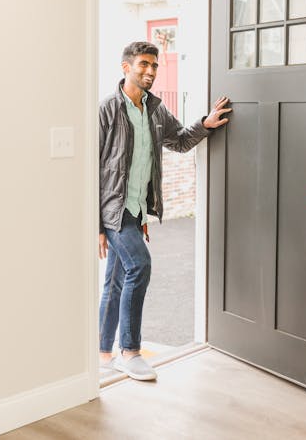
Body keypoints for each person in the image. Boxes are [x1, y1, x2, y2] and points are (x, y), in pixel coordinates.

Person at [99, 41, 231, 380]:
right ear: (125, 67)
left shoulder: (155, 110)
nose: (151, 71)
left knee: (115, 281)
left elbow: (181, 141)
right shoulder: (108, 110)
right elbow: (91, 168)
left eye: (155, 66)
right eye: (143, 64)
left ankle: (103, 355)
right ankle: (130, 352)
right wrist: (96, 225)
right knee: (139, 266)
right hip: (114, 210)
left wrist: (207, 122)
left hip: (138, 210)